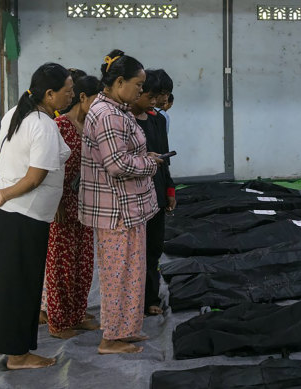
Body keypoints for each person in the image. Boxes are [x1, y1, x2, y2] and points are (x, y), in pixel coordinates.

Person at [0, 63, 73, 369]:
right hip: (23, 214)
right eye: (68, 91)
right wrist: (7, 193)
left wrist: (4, 192)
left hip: (6, 211)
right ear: (49, 93)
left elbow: (5, 157)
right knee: (22, 285)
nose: (71, 95)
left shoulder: (16, 112)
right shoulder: (43, 124)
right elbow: (34, 177)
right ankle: (17, 354)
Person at [78, 49, 162, 354]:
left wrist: (143, 157)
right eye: (138, 85)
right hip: (115, 210)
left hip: (127, 208)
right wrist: (150, 165)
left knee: (131, 270)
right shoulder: (107, 114)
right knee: (117, 273)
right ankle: (110, 337)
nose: (141, 91)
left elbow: (125, 156)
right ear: (119, 82)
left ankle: (125, 328)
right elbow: (116, 165)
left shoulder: (118, 110)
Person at [43, 75, 101, 339]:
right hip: (62, 203)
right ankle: (57, 321)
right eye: (96, 100)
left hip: (84, 201)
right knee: (60, 265)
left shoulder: (89, 126)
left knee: (83, 262)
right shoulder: (59, 126)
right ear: (82, 98)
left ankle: (76, 315)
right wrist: (54, 202)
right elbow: (50, 167)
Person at [132, 70, 175, 316]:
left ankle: (150, 297)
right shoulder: (127, 121)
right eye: (157, 95)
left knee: (154, 250)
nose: (159, 101)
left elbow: (165, 159)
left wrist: (169, 190)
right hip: (136, 198)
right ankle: (132, 301)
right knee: (135, 252)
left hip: (157, 194)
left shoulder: (157, 120)